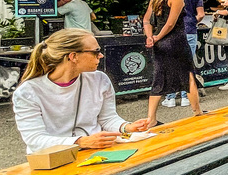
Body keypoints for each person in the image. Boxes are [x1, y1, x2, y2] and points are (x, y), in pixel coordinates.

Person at [13, 28, 150, 154]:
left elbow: (107, 118)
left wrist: (127, 127)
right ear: (73, 56)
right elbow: (35, 140)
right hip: (53, 159)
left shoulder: (100, 79)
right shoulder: (28, 92)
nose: (101, 55)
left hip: (95, 152)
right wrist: (81, 142)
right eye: (96, 51)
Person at [144, 0, 204, 128]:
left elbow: (146, 21)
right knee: (188, 75)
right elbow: (171, 23)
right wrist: (158, 36)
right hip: (176, 41)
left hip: (160, 44)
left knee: (159, 77)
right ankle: (197, 111)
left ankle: (151, 119)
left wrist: (151, 36)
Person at [163, 0, 205, 108]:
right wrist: (192, 22)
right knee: (187, 65)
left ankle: (170, 97)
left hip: (173, 33)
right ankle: (185, 97)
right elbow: (201, 14)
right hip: (190, 31)